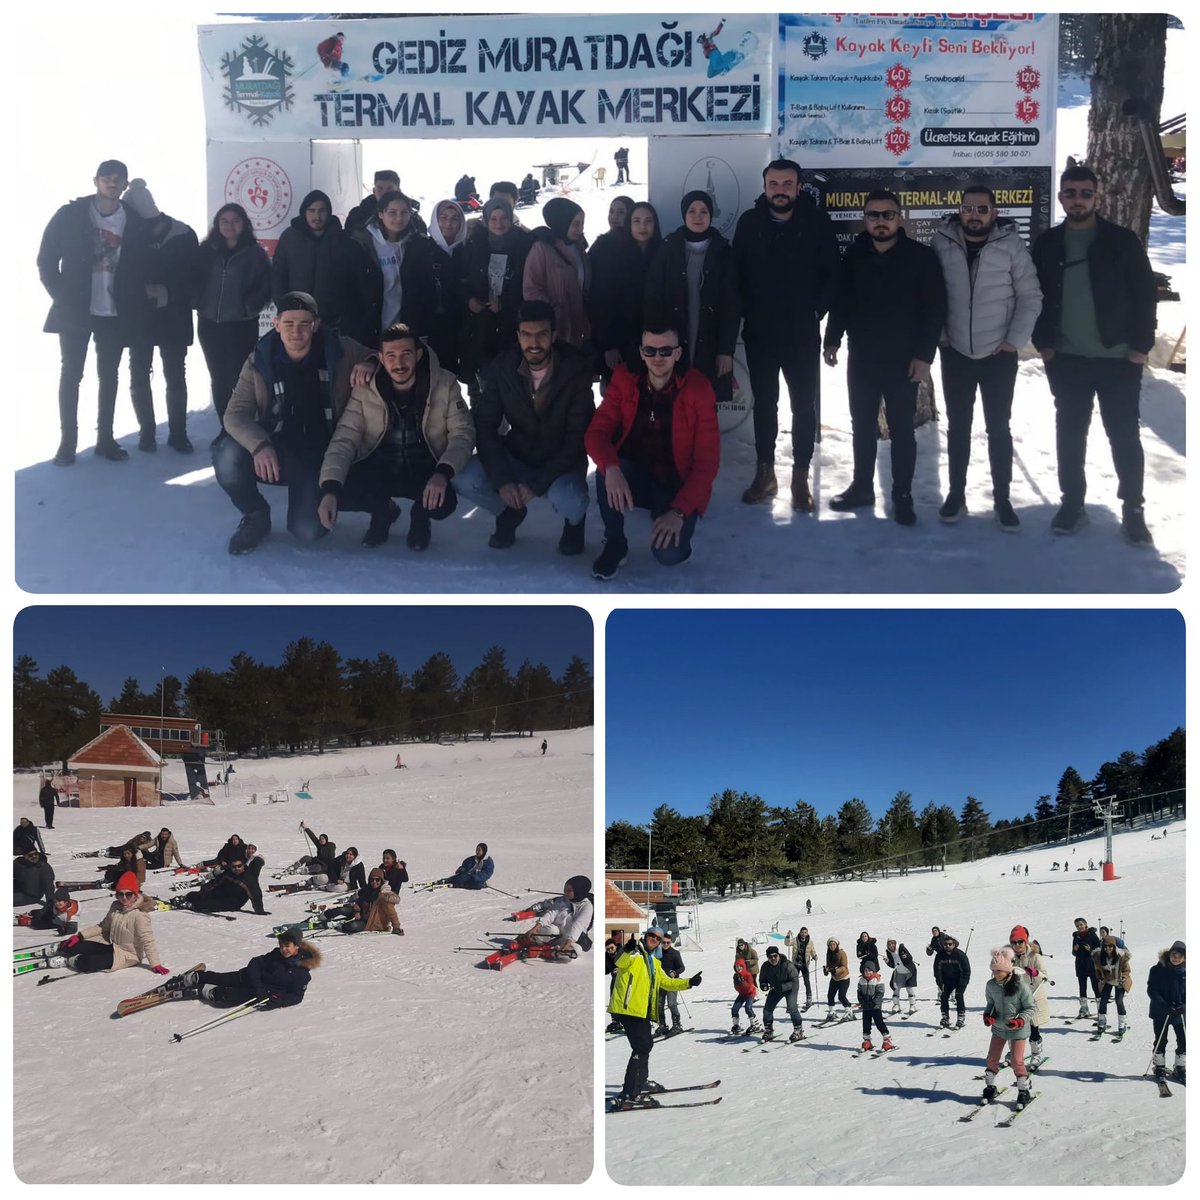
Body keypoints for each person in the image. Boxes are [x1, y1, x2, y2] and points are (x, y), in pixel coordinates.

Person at [1031, 165, 1158, 544]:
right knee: (1070, 433)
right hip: (1067, 358)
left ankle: (1133, 509)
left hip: (1118, 358)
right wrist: (1046, 344)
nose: (1078, 199)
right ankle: (1073, 503)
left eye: (1085, 193)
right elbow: (1035, 296)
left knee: (1123, 434)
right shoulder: (1048, 243)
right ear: (1060, 198)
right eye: (1070, 193)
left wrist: (1141, 346)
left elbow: (1144, 293)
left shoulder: (1121, 240)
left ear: (1096, 197)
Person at [214, 291, 377, 555]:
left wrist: (370, 363)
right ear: (276, 324)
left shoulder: (340, 349)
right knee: (225, 454)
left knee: (307, 532)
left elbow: (381, 355)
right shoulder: (260, 358)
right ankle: (255, 514)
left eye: (304, 323)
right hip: (278, 449)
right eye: (288, 323)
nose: (296, 331)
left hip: (322, 454)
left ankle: (367, 502)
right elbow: (234, 414)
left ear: (316, 324)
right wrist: (259, 446)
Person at [822, 191, 947, 525]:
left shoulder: (921, 258)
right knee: (861, 426)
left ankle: (902, 496)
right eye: (874, 215)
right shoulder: (854, 254)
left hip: (904, 361)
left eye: (887, 215)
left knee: (902, 430)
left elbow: (934, 311)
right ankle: (862, 488)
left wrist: (924, 356)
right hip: (862, 358)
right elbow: (842, 301)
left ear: (900, 218)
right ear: (866, 219)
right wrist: (832, 339)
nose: (881, 221)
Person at [931, 183, 1043, 528]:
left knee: (998, 428)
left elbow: (1031, 296)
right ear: (959, 211)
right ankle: (956, 494)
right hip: (956, 353)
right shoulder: (941, 243)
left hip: (999, 353)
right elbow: (930, 294)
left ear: (993, 213)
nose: (974, 215)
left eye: (981, 209)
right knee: (959, 427)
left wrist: (1014, 340)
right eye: (968, 208)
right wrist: (942, 337)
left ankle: (1002, 499)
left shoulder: (1011, 245)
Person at [732, 157, 840, 511]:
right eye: (774, 184)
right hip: (761, 332)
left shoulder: (816, 222)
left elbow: (832, 274)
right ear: (765, 187)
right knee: (765, 404)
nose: (780, 191)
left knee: (803, 406)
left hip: (801, 333)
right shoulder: (749, 223)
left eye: (787, 184)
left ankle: (800, 477)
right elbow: (737, 276)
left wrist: (815, 311)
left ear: (798, 187)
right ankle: (765, 474)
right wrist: (748, 311)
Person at [317, 322, 475, 550]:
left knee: (444, 503)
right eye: (390, 355)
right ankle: (383, 512)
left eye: (406, 354)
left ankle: (420, 517)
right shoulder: (365, 388)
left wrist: (442, 473)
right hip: (382, 468)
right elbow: (345, 439)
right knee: (337, 490)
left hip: (425, 470)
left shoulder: (445, 383)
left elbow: (463, 434)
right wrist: (330, 489)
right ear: (380, 358)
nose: (398, 363)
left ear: (418, 355)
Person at [456, 300, 594, 554]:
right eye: (527, 335)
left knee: (572, 500)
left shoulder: (575, 371)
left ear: (553, 335)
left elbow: (578, 439)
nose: (534, 343)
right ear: (518, 336)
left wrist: (537, 485)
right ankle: (509, 512)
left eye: (541, 334)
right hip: (518, 455)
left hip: (560, 463)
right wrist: (503, 480)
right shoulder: (503, 367)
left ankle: (574, 524)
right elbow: (485, 424)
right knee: (466, 478)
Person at [37, 158, 151, 464]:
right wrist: (62, 296)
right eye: (106, 177)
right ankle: (67, 442)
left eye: (118, 178)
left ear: (125, 185)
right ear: (96, 181)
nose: (112, 182)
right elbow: (46, 260)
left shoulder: (134, 220)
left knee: (109, 376)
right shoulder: (70, 215)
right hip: (76, 310)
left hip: (115, 311)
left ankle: (105, 439)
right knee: (71, 374)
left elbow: (143, 264)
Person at [585, 323, 720, 580]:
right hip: (635, 475)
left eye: (666, 351)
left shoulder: (699, 390)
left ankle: (675, 526)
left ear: (678, 353)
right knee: (608, 466)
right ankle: (615, 542)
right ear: (641, 352)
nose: (658, 358)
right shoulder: (625, 379)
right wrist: (611, 468)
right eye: (650, 350)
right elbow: (596, 433)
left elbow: (707, 465)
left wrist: (679, 512)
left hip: (676, 485)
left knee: (668, 556)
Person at [121, 179, 199, 454]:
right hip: (138, 316)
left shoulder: (182, 233)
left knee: (174, 375)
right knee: (140, 374)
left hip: (173, 315)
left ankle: (178, 433)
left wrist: (168, 291)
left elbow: (194, 277)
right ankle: (147, 432)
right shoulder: (123, 234)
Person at [644, 191, 740, 411]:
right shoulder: (668, 250)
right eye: (692, 211)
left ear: (711, 215)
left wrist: (726, 350)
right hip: (672, 344)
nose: (698, 217)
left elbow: (731, 306)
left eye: (704, 211)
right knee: (671, 404)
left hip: (710, 341)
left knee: (705, 404)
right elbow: (653, 298)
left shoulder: (724, 252)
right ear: (683, 215)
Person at [349, 189, 456, 364]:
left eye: (404, 213)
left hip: (405, 328)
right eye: (392, 212)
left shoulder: (415, 243)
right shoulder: (362, 244)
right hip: (371, 328)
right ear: (381, 214)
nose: (399, 218)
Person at [194, 203, 272, 436]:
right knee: (218, 377)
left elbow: (266, 286)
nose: (229, 225)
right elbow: (190, 277)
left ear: (244, 224)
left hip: (241, 325)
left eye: (235, 220)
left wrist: (251, 305)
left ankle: (242, 426)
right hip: (210, 324)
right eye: (224, 221)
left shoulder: (255, 253)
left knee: (239, 378)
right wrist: (196, 300)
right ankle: (225, 428)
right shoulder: (206, 251)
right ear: (217, 225)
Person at [607, 927, 702, 1109]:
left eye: (658, 938)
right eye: (652, 936)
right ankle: (630, 1093)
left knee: (646, 1045)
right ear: (646, 936)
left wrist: (689, 982)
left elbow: (666, 982)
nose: (655, 940)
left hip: (642, 1011)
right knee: (641, 1047)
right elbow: (620, 962)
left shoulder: (654, 962)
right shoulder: (635, 954)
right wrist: (626, 949)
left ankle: (640, 1082)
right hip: (628, 1009)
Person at [454, 196, 535, 397]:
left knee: (514, 387)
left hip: (512, 328)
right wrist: (469, 301)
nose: (499, 224)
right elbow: (460, 282)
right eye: (493, 219)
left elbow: (529, 286)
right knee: (487, 389)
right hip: (482, 329)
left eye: (503, 218)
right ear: (486, 220)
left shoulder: (523, 246)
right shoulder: (474, 245)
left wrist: (506, 303)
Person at [270, 189, 373, 340]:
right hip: (297, 319)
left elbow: (355, 281)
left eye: (322, 211)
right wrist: (284, 305)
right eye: (311, 210)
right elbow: (278, 275)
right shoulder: (289, 237)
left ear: (329, 212)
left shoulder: (343, 240)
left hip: (333, 321)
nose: (317, 216)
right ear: (304, 212)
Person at [50, 871, 167, 974]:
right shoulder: (115, 907)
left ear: (135, 895)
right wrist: (80, 936)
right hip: (112, 945)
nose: (124, 898)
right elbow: (103, 926)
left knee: (88, 962)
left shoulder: (140, 915)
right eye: (120, 894)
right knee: (76, 945)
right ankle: (61, 948)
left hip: (127, 955)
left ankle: (70, 961)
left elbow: (148, 940)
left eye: (128, 894)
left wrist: (155, 963)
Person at [587, 197, 649, 385]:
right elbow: (598, 300)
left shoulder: (643, 245)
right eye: (611, 211)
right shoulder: (602, 247)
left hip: (642, 338)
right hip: (613, 339)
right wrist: (608, 344)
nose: (614, 217)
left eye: (621, 212)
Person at [181, 929, 322, 1007]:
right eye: (281, 946)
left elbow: (296, 996)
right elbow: (256, 962)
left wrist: (279, 1001)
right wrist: (258, 985)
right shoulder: (275, 954)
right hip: (250, 978)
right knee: (223, 978)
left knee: (231, 997)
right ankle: (196, 976)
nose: (283, 949)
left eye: (287, 946)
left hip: (262, 992)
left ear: (297, 946)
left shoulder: (302, 974)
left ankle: (206, 991)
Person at [523, 197, 591, 350]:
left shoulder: (580, 248)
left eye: (582, 224)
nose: (579, 229)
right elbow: (531, 289)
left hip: (578, 327)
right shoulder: (541, 248)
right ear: (562, 222)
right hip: (553, 330)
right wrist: (552, 312)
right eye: (575, 224)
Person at [981, 945, 1036, 1110]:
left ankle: (1023, 1090)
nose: (995, 974)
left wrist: (1020, 1020)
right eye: (993, 971)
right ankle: (990, 1087)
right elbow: (990, 1004)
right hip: (999, 1028)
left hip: (1018, 1030)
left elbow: (1030, 1008)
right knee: (992, 1058)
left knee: (1016, 1061)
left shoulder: (1020, 986)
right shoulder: (991, 985)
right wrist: (987, 1015)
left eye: (998, 971)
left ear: (1007, 971)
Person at [524, 874, 594, 955]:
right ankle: (531, 940)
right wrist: (536, 927)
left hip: (571, 937)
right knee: (550, 930)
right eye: (565, 889)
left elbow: (578, 925)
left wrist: (569, 942)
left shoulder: (586, 906)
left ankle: (549, 953)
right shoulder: (562, 900)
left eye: (569, 890)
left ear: (578, 891)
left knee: (576, 950)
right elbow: (551, 914)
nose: (565, 892)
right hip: (555, 933)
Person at [1147, 941, 1185, 1084]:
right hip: (1161, 1011)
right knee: (1161, 1039)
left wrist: (1185, 1006)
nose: (1176, 958)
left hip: (1181, 1013)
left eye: (1180, 956)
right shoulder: (1157, 970)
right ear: (1169, 955)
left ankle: (1180, 1067)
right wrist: (1164, 1005)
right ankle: (1159, 1067)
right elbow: (1152, 990)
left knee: (1184, 1040)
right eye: (1174, 955)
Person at [174, 855, 266, 915]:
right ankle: (185, 898)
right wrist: (204, 890)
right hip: (223, 893)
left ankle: (192, 905)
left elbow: (256, 895)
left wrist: (260, 911)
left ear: (243, 865)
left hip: (233, 903)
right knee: (200, 894)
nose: (236, 868)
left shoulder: (248, 879)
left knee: (209, 904)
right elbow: (216, 881)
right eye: (234, 867)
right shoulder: (228, 872)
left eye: (239, 866)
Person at [331, 868, 404, 934]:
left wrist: (396, 927)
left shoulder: (384, 895)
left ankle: (339, 924)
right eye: (372, 879)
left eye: (377, 879)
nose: (374, 882)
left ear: (381, 880)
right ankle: (323, 917)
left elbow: (392, 913)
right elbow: (358, 902)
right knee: (341, 910)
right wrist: (357, 911)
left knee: (350, 926)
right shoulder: (367, 890)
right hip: (361, 915)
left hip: (371, 923)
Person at [759, 944, 805, 1042]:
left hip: (790, 989)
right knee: (767, 1009)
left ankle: (798, 1030)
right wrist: (764, 985)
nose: (773, 958)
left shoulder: (788, 965)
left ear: (778, 955)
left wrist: (783, 987)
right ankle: (768, 1030)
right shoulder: (765, 967)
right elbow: (762, 979)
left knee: (792, 1008)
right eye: (770, 957)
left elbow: (795, 981)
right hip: (775, 989)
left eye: (775, 955)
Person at [1092, 930, 1132, 1037]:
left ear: (1114, 947)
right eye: (1105, 946)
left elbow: (1126, 970)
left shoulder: (1121, 956)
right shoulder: (1099, 957)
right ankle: (1102, 1022)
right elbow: (1098, 970)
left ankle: (1122, 1024)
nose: (1108, 949)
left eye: (1110, 946)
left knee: (1119, 1001)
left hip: (1119, 981)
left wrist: (1123, 977)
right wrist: (1100, 978)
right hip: (1107, 981)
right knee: (1103, 1001)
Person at [934, 932, 971, 1028]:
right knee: (943, 996)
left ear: (954, 944)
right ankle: (945, 1017)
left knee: (959, 996)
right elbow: (937, 970)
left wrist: (963, 983)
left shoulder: (960, 955)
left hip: (959, 980)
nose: (947, 946)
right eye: (945, 944)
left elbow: (966, 971)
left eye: (950, 944)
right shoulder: (940, 955)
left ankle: (960, 1018)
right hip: (946, 980)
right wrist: (939, 982)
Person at [346, 169, 400, 234]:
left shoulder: (409, 218)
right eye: (380, 188)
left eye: (389, 189)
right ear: (374, 191)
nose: (384, 193)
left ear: (398, 191)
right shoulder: (357, 216)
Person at [858, 958, 894, 1053]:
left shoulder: (877, 980)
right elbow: (859, 992)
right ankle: (867, 1041)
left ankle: (887, 1040)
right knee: (866, 1024)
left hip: (875, 1007)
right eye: (865, 971)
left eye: (869, 971)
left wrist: (873, 1002)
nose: (867, 973)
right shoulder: (862, 980)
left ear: (873, 971)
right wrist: (861, 1001)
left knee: (879, 1023)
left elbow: (880, 993)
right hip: (866, 1007)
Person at [1072, 916, 1102, 1017]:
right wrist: (1075, 950)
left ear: (1085, 924)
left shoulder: (1092, 935)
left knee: (1095, 987)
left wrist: (1091, 949)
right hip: (1080, 966)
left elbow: (1100, 951)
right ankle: (1084, 1009)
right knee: (1082, 987)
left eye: (1081, 924)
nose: (1079, 927)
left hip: (1092, 966)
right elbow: (1073, 952)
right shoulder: (1076, 937)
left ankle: (1100, 1010)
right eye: (1077, 926)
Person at [13, 847, 55, 914]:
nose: (34, 856)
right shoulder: (18, 863)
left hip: (31, 896)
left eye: (36, 854)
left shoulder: (44, 867)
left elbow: (48, 886)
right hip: (17, 888)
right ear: (24, 856)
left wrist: (50, 902)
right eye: (30, 855)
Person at [884, 938, 918, 1015]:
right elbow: (893, 965)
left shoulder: (901, 948)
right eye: (889, 944)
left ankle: (912, 1005)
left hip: (908, 971)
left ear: (895, 943)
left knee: (909, 987)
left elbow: (910, 958)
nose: (891, 946)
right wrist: (888, 961)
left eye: (892, 943)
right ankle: (896, 1005)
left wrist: (905, 956)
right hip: (899, 972)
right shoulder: (889, 952)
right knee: (896, 987)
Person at [823, 936, 853, 1020]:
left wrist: (835, 970)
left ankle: (849, 1011)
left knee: (841, 996)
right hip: (834, 978)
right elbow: (829, 966)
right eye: (830, 945)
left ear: (837, 945)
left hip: (844, 978)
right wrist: (826, 970)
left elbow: (844, 967)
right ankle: (832, 1012)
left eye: (834, 944)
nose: (832, 946)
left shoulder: (842, 953)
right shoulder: (828, 953)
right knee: (830, 995)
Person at [731, 955, 762, 1034]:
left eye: (740, 966)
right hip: (742, 994)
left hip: (750, 993)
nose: (738, 968)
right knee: (734, 1009)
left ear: (743, 966)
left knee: (748, 1008)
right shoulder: (736, 976)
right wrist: (738, 983)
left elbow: (749, 988)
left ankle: (754, 1024)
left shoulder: (748, 975)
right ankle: (736, 1025)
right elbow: (737, 989)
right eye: (737, 967)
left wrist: (742, 982)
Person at [791, 925, 818, 1008]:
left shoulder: (810, 941)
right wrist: (788, 936)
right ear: (800, 933)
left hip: (805, 965)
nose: (803, 934)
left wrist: (814, 956)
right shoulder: (795, 940)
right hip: (796, 964)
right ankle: (792, 1000)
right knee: (794, 982)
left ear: (807, 933)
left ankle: (809, 998)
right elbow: (787, 943)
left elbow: (812, 950)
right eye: (802, 932)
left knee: (807, 982)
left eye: (805, 932)